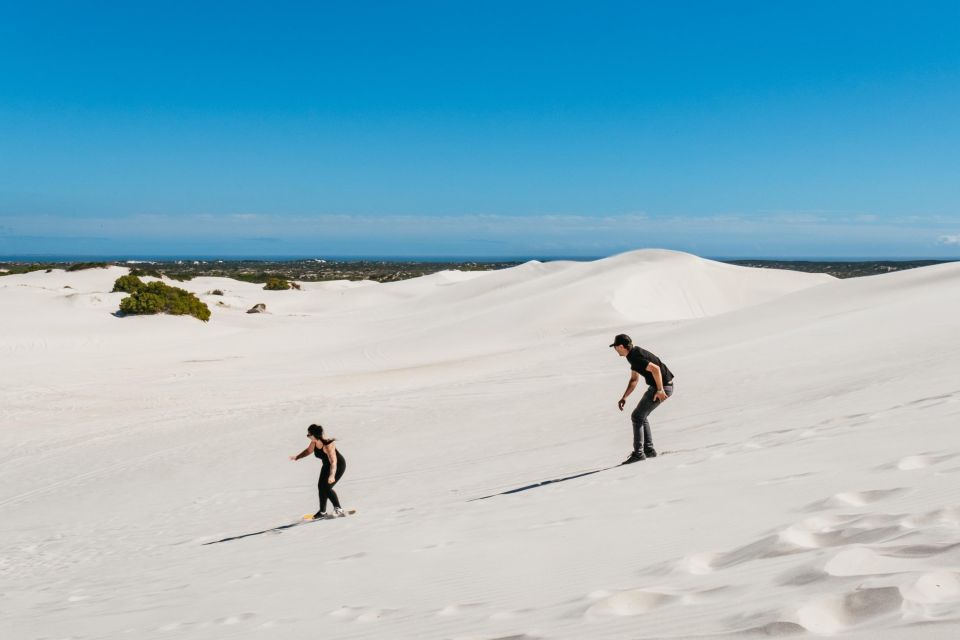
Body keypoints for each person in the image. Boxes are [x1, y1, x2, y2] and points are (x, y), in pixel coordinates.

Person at [611, 334, 675, 464]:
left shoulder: (635, 357)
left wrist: (660, 389)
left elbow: (655, 369)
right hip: (660, 386)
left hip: (662, 388)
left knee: (637, 416)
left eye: (615, 347)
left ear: (621, 347)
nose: (615, 350)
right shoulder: (633, 355)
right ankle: (649, 450)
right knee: (641, 416)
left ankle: (639, 453)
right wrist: (624, 397)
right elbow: (634, 379)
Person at [289, 423, 347, 519]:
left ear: (314, 435)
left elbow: (333, 461)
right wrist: (297, 457)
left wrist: (332, 475)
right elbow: (308, 451)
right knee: (321, 487)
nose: (307, 436)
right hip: (326, 465)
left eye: (309, 435)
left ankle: (338, 509)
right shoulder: (315, 441)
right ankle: (322, 512)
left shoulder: (328, 444)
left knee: (327, 487)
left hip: (338, 465)